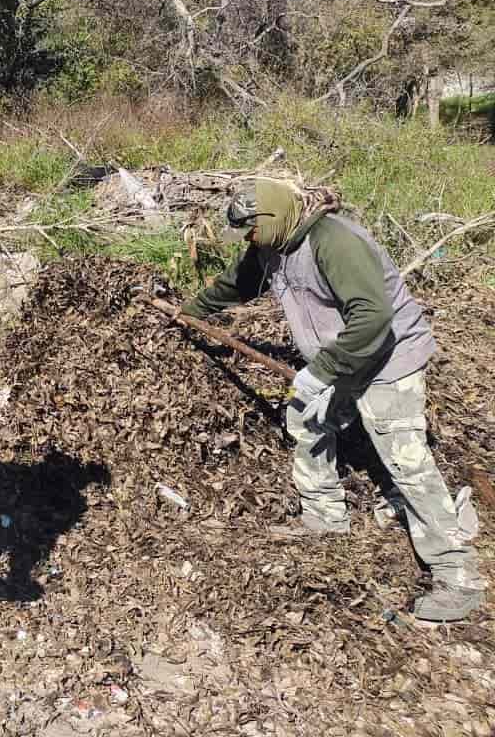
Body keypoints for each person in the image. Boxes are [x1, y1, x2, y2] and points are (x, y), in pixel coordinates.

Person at [181, 176, 484, 622]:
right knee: (306, 420)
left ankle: (456, 572)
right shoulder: (273, 245)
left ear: (273, 218)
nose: (247, 239)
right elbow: (239, 283)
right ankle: (324, 517)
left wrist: (320, 372)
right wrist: (191, 312)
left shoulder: (333, 241)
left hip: (388, 359)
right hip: (341, 358)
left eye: (250, 230)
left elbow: (373, 316)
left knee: (405, 458)